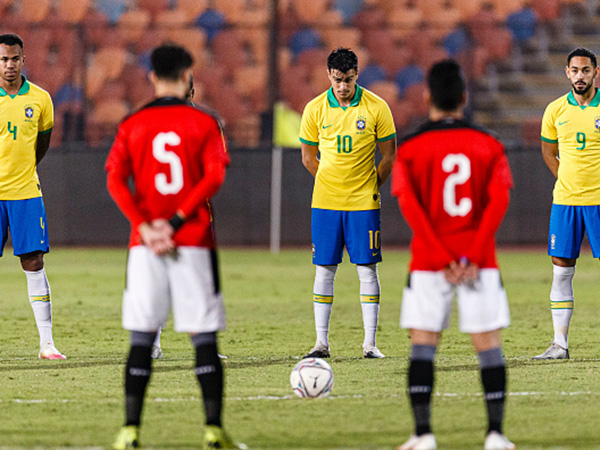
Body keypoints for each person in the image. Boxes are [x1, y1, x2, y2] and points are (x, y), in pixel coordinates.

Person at [106, 44, 245, 450]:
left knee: (142, 338)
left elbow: (115, 181)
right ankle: (213, 431)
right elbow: (214, 177)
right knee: (204, 337)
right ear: (187, 75)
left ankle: (130, 431)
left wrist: (146, 227)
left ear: (151, 76)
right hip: (194, 241)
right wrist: (179, 220)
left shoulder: (132, 123)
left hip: (144, 246)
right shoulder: (204, 122)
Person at [392, 60, 514, 450]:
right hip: (479, 263)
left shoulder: (410, 148)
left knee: (423, 344)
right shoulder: (490, 144)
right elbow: (498, 202)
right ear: (465, 97)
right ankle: (495, 435)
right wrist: (472, 254)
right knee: (488, 345)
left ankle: (423, 434)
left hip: (430, 262)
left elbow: (411, 207)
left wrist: (441, 255)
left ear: (427, 95)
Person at [299, 47, 396, 359]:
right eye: (338, 79)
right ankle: (321, 344)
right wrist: (329, 181)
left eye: (349, 79)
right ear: (329, 75)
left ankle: (370, 345)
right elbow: (307, 156)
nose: (343, 86)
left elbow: (389, 155)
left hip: (363, 203)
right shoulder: (314, 109)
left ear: (357, 75)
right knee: (324, 269)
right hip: (326, 203)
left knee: (367, 268)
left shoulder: (377, 107)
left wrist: (370, 185)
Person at [150, 76, 227, 361]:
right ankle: (153, 342)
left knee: (201, 281)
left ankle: (206, 347)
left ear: (192, 90)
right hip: (171, 213)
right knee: (161, 279)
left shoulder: (204, 123)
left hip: (193, 214)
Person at [0, 33, 65, 360]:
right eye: (3, 59)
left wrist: (23, 170)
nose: (9, 65)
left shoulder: (40, 99)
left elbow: (42, 144)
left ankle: (46, 344)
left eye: (14, 59)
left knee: (34, 262)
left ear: (23, 60)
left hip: (25, 192)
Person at [534, 47, 600, 360]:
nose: (579, 76)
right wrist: (566, 180)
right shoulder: (555, 110)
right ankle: (559, 345)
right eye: (574, 70)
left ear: (595, 72)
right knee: (561, 271)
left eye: (585, 70)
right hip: (566, 202)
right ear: (567, 72)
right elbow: (548, 151)